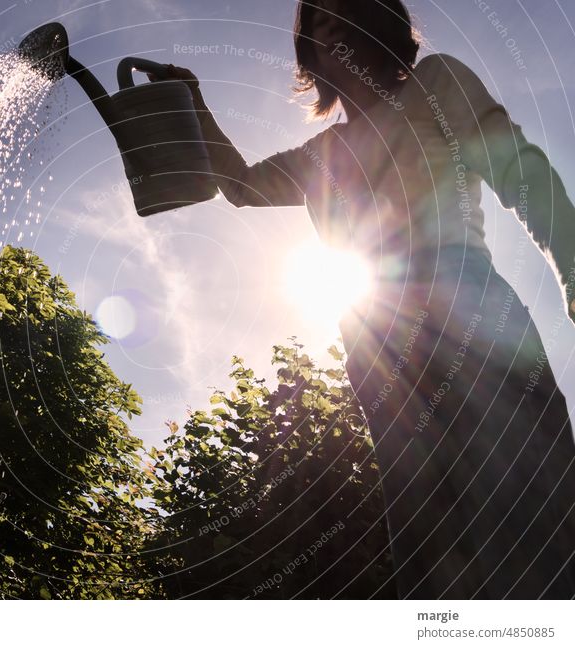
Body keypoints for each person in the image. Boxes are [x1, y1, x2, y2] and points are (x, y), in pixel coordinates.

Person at [151, 0, 575, 598]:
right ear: (310, 55)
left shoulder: (436, 83)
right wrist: (191, 102)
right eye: (317, 19)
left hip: (470, 313)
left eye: (344, 10)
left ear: (378, 24)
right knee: (430, 546)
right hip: (377, 347)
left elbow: (518, 169)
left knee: (534, 507)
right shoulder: (320, 155)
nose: (329, 23)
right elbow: (241, 186)